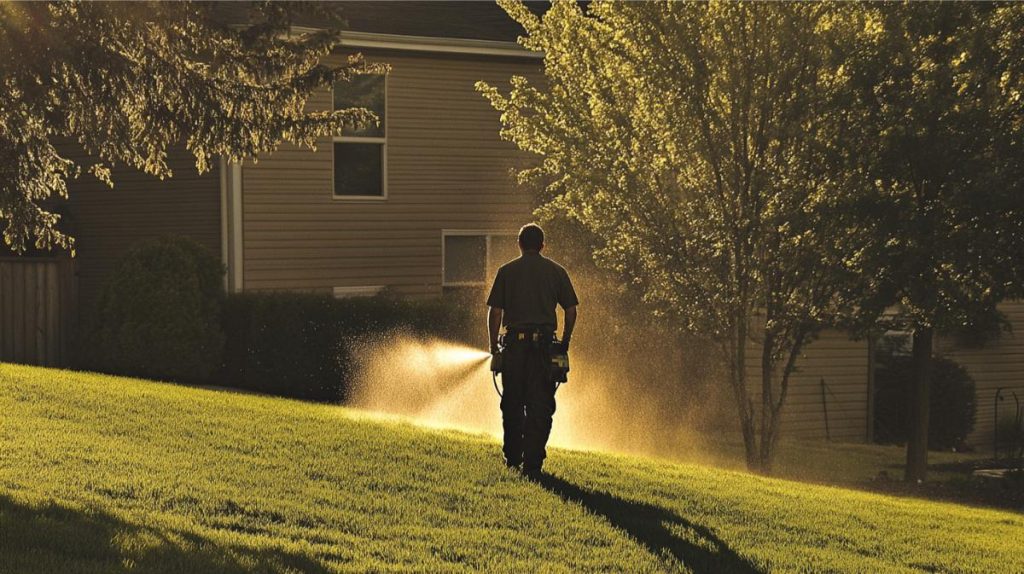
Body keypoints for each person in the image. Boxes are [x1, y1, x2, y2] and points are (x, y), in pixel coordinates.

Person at [486, 223, 579, 478]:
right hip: (544, 349)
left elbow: (495, 312)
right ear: (542, 245)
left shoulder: (506, 271)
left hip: (514, 347)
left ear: (519, 244)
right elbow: (571, 310)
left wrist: (494, 348)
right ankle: (533, 465)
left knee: (512, 404)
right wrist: (565, 342)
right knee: (541, 407)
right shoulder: (556, 272)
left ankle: (513, 458)